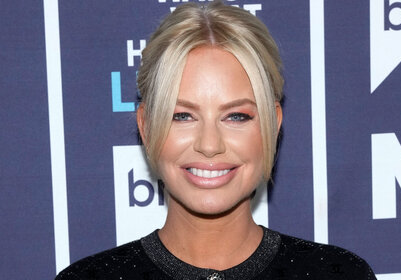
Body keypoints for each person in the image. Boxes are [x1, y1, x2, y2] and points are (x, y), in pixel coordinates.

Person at [56, 2, 376, 279]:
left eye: (235, 116)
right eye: (182, 115)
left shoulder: (340, 274)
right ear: (146, 126)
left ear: (272, 124)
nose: (209, 145)